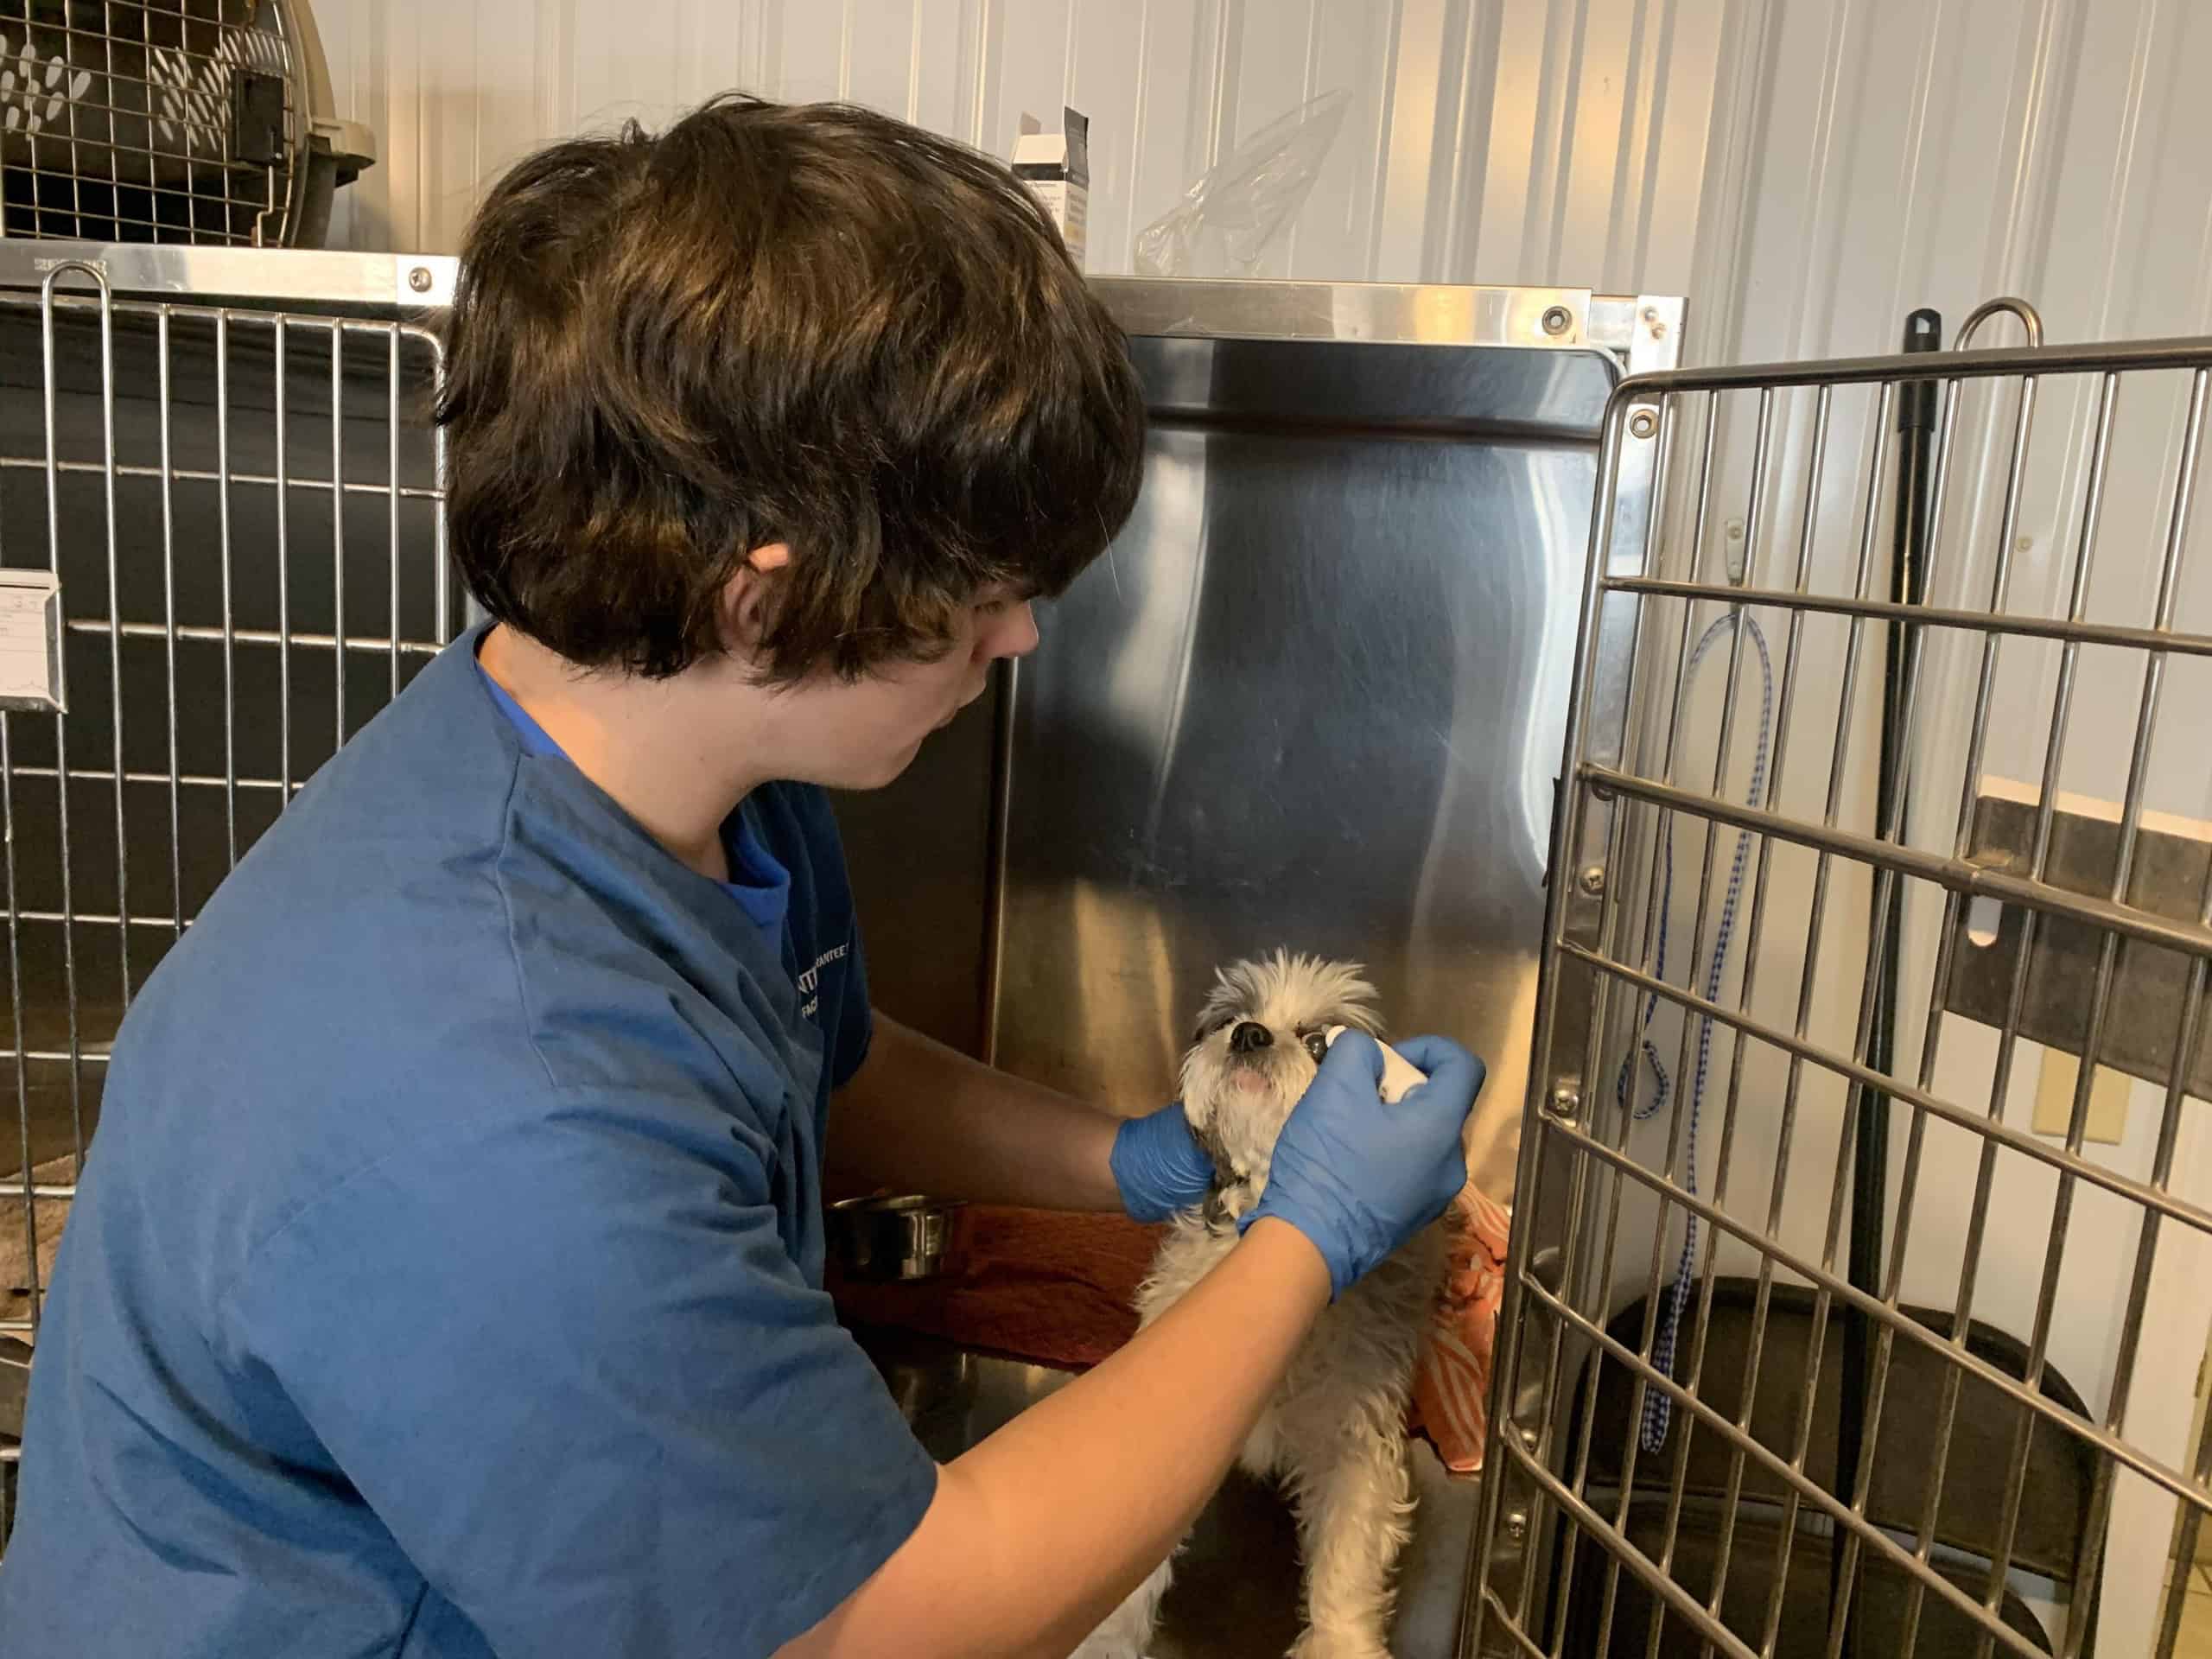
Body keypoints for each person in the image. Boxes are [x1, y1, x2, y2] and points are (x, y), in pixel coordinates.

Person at [0, 96, 1485, 1659]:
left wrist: (1131, 1163)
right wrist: (1303, 1238)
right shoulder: (497, 1094)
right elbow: (890, 1624)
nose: (1019, 641)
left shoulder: (686, 785)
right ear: (766, 607)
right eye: (986, 594)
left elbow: (809, 1060)